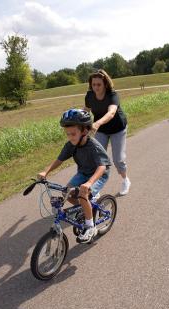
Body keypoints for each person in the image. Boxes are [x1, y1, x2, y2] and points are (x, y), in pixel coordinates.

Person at [38, 108, 111, 244]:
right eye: (68, 134)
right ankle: (85, 209)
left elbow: (102, 167)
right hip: (83, 173)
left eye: (73, 134)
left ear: (84, 131)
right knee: (67, 192)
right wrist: (45, 172)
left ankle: (90, 226)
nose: (70, 137)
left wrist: (89, 183)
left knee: (83, 195)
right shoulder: (71, 145)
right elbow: (59, 160)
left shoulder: (93, 146)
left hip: (98, 175)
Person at [84, 69, 131, 196]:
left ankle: (125, 180)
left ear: (105, 84)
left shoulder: (112, 95)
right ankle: (96, 188)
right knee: (98, 160)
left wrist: (97, 123)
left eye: (99, 84)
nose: (96, 87)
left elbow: (111, 113)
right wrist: (80, 123)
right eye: (93, 84)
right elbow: (86, 111)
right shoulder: (89, 96)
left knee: (118, 160)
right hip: (102, 131)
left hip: (118, 128)